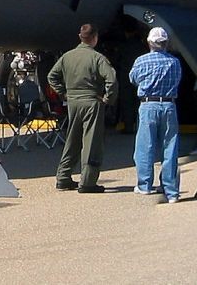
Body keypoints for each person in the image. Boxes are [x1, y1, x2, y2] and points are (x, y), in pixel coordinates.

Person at [49, 23, 119, 193]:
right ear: (94, 38)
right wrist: (108, 99)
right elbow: (112, 80)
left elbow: (52, 76)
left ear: (80, 37)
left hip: (73, 102)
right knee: (91, 141)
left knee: (73, 139)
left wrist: (64, 94)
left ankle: (63, 177)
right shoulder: (97, 58)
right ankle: (87, 182)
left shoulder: (67, 56)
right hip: (92, 102)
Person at [131, 27, 184, 203]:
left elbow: (133, 79)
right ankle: (171, 191)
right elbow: (177, 80)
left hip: (148, 104)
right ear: (166, 43)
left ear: (149, 42)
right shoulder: (175, 62)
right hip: (169, 104)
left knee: (145, 146)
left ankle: (145, 185)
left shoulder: (141, 61)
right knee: (170, 146)